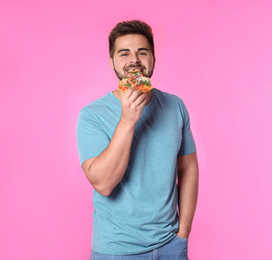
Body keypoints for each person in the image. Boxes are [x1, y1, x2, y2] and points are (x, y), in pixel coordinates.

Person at [76, 20, 199, 259]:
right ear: (112, 62)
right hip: (116, 249)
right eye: (124, 53)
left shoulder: (175, 106)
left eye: (142, 52)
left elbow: (188, 168)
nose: (134, 60)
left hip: (171, 245)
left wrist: (183, 233)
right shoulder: (92, 115)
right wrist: (128, 119)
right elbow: (103, 183)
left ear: (153, 58)